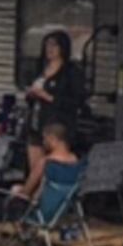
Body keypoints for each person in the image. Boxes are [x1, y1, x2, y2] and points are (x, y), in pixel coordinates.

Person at [20, 30, 85, 200]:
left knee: (50, 166)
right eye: (47, 45)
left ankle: (46, 200)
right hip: (36, 122)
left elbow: (76, 100)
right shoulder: (41, 69)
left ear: (63, 48)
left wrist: (47, 96)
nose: (50, 49)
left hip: (56, 125)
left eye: (54, 45)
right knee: (35, 167)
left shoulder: (70, 72)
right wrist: (31, 95)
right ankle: (32, 200)